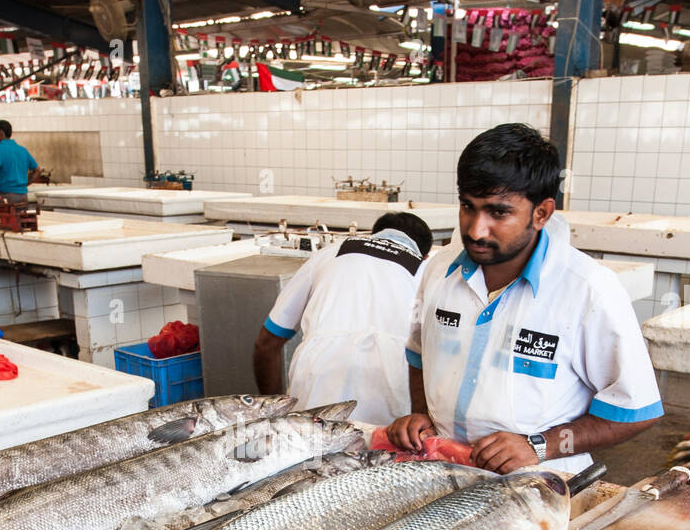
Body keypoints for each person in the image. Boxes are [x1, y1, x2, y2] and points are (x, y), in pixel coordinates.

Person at [387, 124, 663, 474]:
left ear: (542, 213)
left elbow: (636, 410)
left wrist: (541, 445)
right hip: (442, 468)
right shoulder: (439, 270)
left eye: (498, 212)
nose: (475, 230)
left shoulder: (589, 290)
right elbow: (419, 354)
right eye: (467, 207)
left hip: (538, 483)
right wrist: (422, 415)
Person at [253, 210, 433, 426]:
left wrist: (273, 414)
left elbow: (267, 343)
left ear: (372, 236)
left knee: (310, 455)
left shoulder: (329, 253)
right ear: (425, 255)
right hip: (393, 383)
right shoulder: (427, 271)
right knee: (378, 455)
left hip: (318, 373)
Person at [0, 119, 41, 197]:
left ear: (1, 133)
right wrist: (25, 184)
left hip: (6, 195)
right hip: (23, 196)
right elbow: (38, 170)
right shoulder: (23, 150)